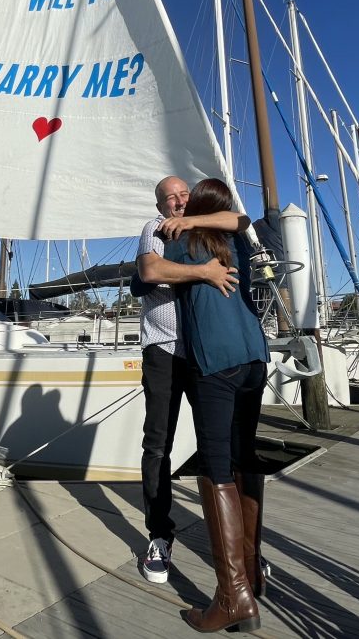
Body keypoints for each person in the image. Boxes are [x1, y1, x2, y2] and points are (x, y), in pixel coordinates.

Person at [162, 178, 270, 634]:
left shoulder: (184, 239)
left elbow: (147, 274)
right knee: (244, 457)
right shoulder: (234, 239)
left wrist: (185, 227)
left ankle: (233, 596)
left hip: (217, 363)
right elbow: (240, 219)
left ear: (198, 208)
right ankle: (251, 574)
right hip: (254, 357)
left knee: (216, 466)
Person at [135, 175, 248, 584]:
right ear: (161, 206)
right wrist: (203, 272)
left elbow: (242, 220)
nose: (178, 203)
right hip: (164, 350)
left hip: (204, 352)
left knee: (217, 450)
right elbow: (150, 270)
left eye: (184, 195)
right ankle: (160, 535)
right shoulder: (155, 229)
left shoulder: (206, 228)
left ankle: (237, 550)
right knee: (158, 443)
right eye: (170, 199)